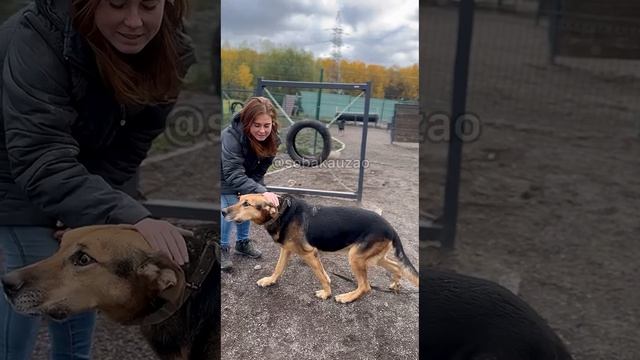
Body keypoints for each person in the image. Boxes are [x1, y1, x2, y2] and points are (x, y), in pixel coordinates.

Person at [0, 0, 195, 359]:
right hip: (16, 170)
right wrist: (129, 215)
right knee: (29, 284)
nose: (135, 21)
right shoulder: (38, 38)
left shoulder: (171, 49)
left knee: (83, 282)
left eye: (150, 6)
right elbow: (37, 152)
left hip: (80, 171)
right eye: (118, 5)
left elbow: (129, 147)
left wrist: (90, 212)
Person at [221, 96, 280, 271]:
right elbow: (231, 173)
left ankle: (242, 243)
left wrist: (256, 192)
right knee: (228, 211)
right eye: (257, 125)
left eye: (266, 125)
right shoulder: (231, 137)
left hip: (244, 177)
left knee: (248, 205)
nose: (262, 130)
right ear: (247, 123)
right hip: (221, 178)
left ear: (272, 124)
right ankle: (221, 247)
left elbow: (260, 171)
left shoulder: (274, 140)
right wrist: (258, 190)